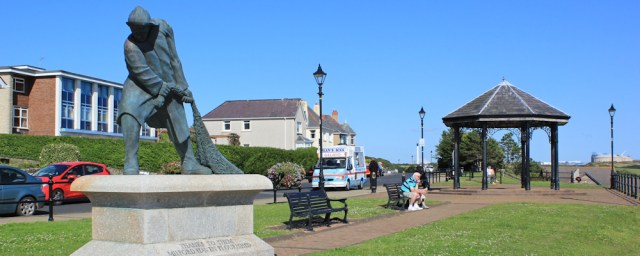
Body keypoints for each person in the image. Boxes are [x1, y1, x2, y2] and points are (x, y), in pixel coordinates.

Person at [119, 6, 210, 175]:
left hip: (168, 81)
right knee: (128, 111)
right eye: (134, 30)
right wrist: (164, 88)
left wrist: (183, 86)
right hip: (139, 84)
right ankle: (131, 162)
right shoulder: (130, 45)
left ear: (150, 25)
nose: (137, 34)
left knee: (177, 118)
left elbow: (175, 58)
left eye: (141, 29)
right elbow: (140, 71)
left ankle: (189, 162)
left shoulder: (164, 28)